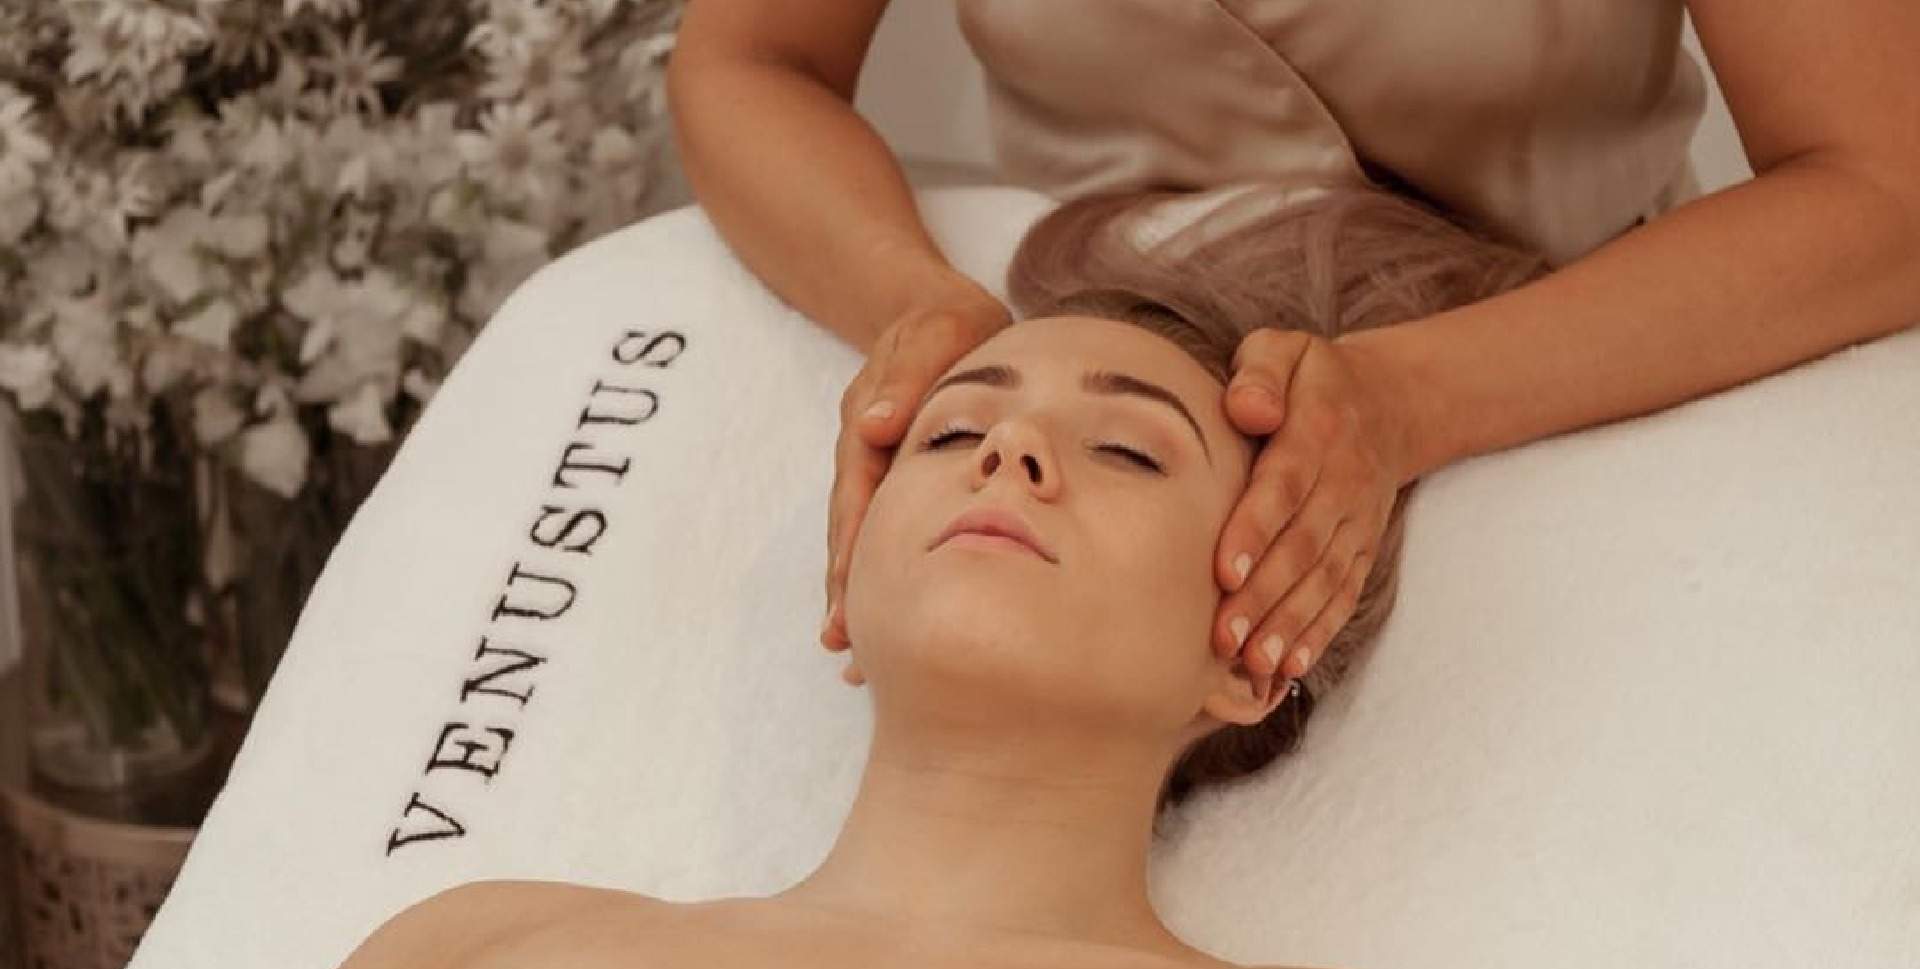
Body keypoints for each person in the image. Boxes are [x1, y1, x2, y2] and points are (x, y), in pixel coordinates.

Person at [262, 183, 1542, 969]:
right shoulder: (465, 944)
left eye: (1127, 450)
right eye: (948, 431)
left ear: (1255, 645)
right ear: (845, 586)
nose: (1011, 449)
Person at [664, 0, 1920, 700]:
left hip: (1586, 359)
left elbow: (1889, 187)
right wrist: (909, 304)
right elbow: (750, 59)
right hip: (1085, 316)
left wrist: (1415, 396)